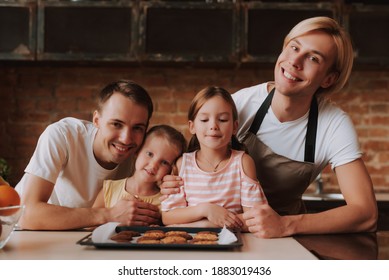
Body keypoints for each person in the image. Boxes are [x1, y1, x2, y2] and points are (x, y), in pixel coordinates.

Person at [161, 17, 378, 238]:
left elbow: (366, 213)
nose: (295, 61)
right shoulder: (240, 105)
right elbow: (189, 166)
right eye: (294, 47)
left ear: (328, 79)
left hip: (287, 237)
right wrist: (169, 179)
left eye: (313, 58)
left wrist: (286, 225)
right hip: (223, 231)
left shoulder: (333, 125)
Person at [16, 80, 161, 230]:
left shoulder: (143, 156)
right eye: (116, 124)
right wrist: (107, 215)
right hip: (23, 234)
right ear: (97, 120)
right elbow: (27, 215)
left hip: (82, 239)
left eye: (137, 128)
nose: (126, 139)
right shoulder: (62, 135)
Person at [161, 86, 267, 230]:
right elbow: (168, 216)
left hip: (233, 244)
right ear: (192, 126)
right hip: (192, 247)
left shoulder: (243, 163)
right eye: (204, 119)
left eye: (222, 119)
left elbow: (255, 218)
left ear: (235, 127)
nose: (213, 126)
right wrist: (206, 210)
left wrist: (206, 225)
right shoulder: (182, 164)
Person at [93, 124, 187, 223]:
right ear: (137, 151)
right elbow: (91, 226)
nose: (154, 165)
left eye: (164, 162)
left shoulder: (166, 200)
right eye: (149, 154)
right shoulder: (109, 189)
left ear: (171, 169)